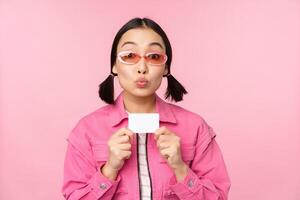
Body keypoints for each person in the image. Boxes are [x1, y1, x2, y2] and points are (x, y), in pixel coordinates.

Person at [61, 17, 231, 200]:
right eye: (129, 56)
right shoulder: (87, 130)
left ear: (166, 68)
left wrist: (180, 167)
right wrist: (109, 169)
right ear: (114, 65)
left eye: (154, 57)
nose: (142, 68)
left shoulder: (195, 127)